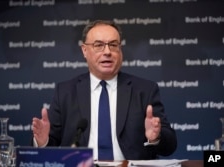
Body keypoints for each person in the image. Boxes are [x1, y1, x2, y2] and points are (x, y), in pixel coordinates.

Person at [32, 20, 177, 160]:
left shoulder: (145, 90)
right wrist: (43, 141)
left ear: (120, 50)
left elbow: (170, 145)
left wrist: (156, 137)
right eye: (99, 45)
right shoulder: (65, 92)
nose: (107, 51)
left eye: (113, 45)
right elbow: (49, 146)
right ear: (84, 50)